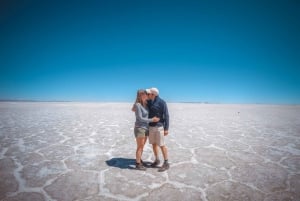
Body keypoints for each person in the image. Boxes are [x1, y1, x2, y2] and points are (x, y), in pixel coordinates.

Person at [133, 89, 160, 170]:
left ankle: (139, 160)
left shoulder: (145, 104)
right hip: (140, 128)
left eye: (145, 94)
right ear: (139, 96)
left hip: (146, 128)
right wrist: (152, 120)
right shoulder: (138, 105)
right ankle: (138, 164)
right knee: (140, 147)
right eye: (143, 94)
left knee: (142, 146)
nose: (145, 95)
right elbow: (140, 118)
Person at [146, 87, 170, 172]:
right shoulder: (148, 102)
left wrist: (166, 128)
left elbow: (166, 115)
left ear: (153, 94)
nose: (147, 95)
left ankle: (166, 162)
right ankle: (157, 160)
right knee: (154, 144)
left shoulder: (162, 102)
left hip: (159, 127)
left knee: (162, 145)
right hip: (151, 126)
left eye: (148, 94)